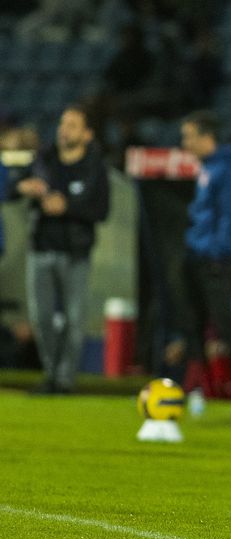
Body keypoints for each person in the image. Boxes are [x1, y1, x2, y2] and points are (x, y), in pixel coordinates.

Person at [13, 105, 109, 393]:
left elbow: (101, 210)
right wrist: (23, 187)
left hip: (75, 252)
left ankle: (65, 380)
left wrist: (67, 207)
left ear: (87, 134)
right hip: (41, 247)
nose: (64, 130)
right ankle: (51, 374)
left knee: (74, 318)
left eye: (72, 125)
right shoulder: (44, 159)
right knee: (42, 318)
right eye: (62, 124)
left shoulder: (95, 166)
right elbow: (12, 188)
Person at [172, 110, 231, 404]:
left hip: (215, 261)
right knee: (193, 325)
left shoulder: (227, 170)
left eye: (189, 137)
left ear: (206, 138)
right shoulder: (208, 168)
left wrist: (218, 254)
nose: (185, 143)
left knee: (225, 325)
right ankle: (198, 388)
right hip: (197, 255)